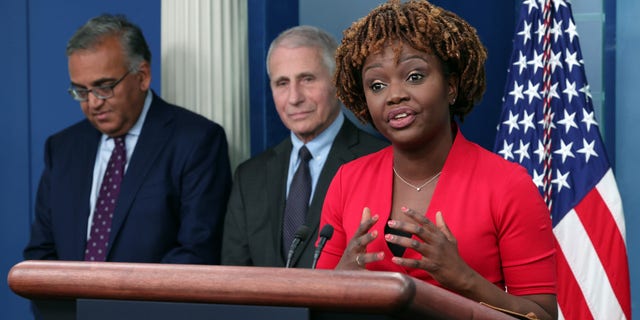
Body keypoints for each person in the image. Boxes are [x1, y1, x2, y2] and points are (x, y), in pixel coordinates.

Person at [315, 1, 557, 319]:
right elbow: (316, 303)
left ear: (451, 86)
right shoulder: (348, 179)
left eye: (414, 76)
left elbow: (541, 315)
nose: (394, 94)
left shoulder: (507, 184)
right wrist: (338, 283)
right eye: (377, 85)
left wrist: (465, 280)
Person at [23, 14, 232, 264]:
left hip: (152, 304)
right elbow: (40, 257)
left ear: (142, 76)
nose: (93, 103)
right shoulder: (62, 149)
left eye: (104, 87)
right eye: (81, 91)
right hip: (71, 304)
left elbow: (197, 251)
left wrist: (117, 302)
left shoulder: (196, 141)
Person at [221, 25, 388, 268]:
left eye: (307, 79)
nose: (294, 97)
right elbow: (232, 278)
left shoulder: (379, 161)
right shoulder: (249, 177)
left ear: (337, 83)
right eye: (282, 83)